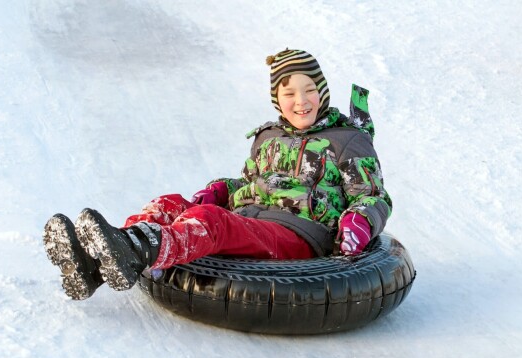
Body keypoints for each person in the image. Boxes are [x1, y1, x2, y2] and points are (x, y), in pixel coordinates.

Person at [43, 49, 392, 300]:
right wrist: (224, 189)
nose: (301, 101)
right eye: (289, 94)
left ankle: (136, 248)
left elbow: (372, 196)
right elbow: (250, 182)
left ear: (323, 91)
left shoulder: (348, 141)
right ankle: (99, 261)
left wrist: (360, 221)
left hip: (298, 233)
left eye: (310, 90)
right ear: (277, 99)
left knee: (209, 220)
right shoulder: (268, 137)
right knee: (171, 203)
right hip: (252, 219)